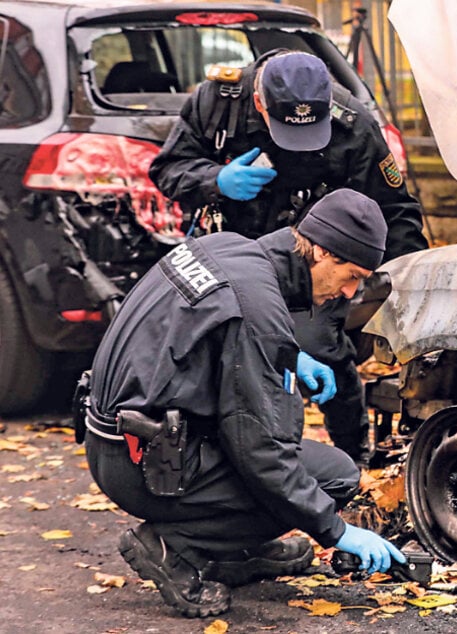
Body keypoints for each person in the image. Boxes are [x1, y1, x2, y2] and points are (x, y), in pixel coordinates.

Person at [81, 189, 406, 618]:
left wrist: (288, 356)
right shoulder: (258, 309)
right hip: (147, 468)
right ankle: (175, 549)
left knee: (297, 468)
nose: (349, 292)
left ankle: (238, 551)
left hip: (116, 439)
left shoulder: (228, 248)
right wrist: (337, 531)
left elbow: (202, 340)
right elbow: (263, 452)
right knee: (333, 479)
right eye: (350, 275)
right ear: (322, 250)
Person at [149, 50, 428, 464]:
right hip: (232, 257)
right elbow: (167, 169)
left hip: (312, 264)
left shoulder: (351, 123)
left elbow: (397, 211)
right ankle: (224, 458)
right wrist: (215, 181)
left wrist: (410, 287)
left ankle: (353, 458)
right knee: (229, 362)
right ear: (260, 101)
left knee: (321, 353)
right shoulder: (216, 104)